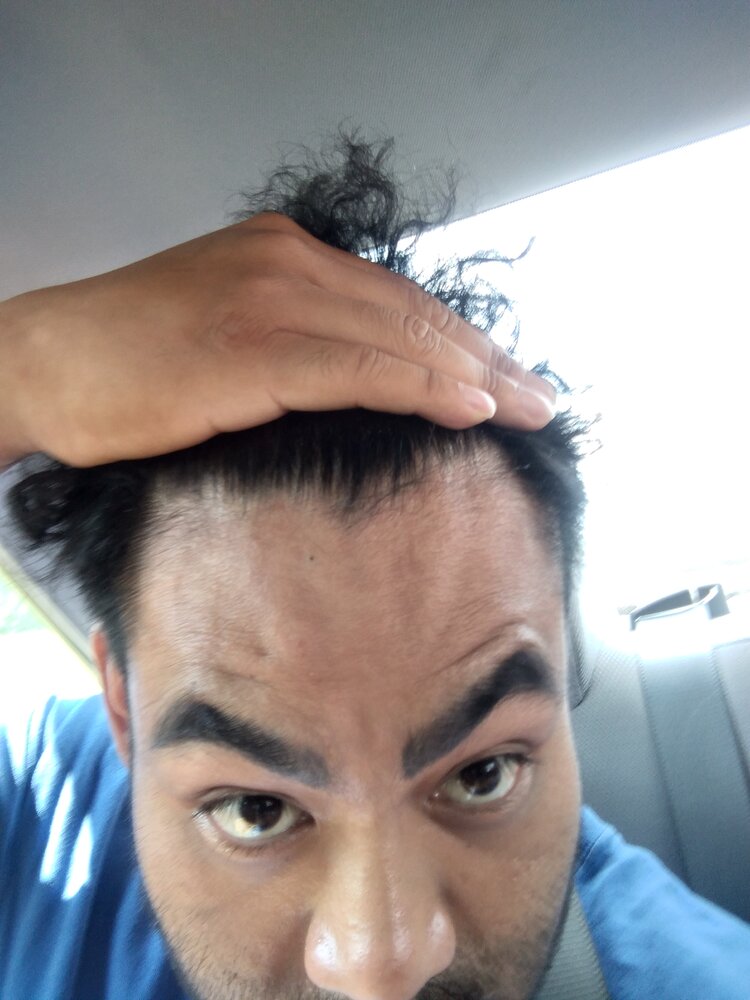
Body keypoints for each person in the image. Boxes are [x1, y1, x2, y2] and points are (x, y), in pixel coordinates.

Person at [0, 137, 748, 1000]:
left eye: (482, 774)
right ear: (123, 712)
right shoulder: (43, 809)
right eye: (255, 810)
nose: (378, 968)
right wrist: (17, 366)